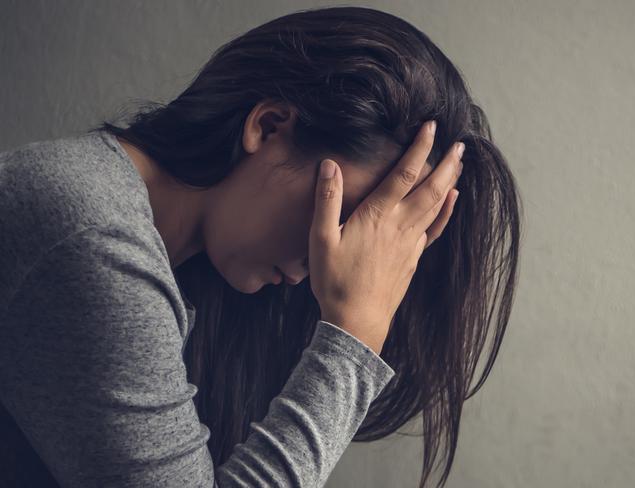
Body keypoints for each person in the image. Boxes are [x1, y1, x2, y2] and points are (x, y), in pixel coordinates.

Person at [0, 6, 522, 488]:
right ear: (268, 125)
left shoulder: (174, 276)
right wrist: (355, 332)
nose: (334, 260)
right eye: (347, 217)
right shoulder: (90, 231)